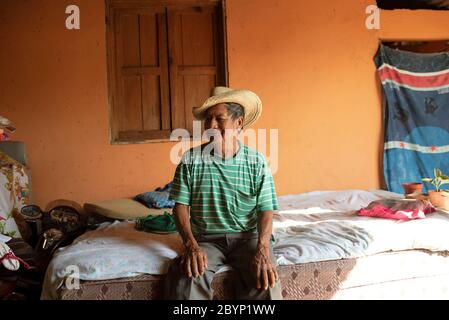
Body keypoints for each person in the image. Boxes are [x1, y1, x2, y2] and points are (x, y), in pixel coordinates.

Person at [164, 86, 282, 300]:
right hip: (206, 240)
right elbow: (180, 206)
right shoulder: (190, 159)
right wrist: (191, 245)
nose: (211, 125)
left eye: (220, 118)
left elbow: (266, 209)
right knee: (189, 277)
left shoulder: (256, 161)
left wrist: (263, 249)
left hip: (248, 238)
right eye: (208, 119)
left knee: (265, 280)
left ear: (239, 123)